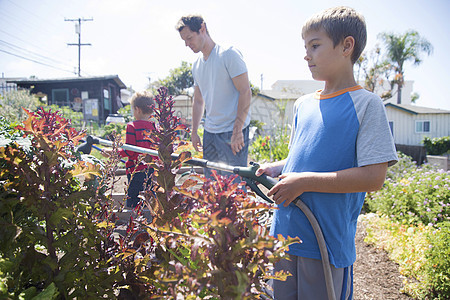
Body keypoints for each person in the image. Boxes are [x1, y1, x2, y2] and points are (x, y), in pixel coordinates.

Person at [255, 7, 398, 300]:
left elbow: (373, 177)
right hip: (285, 233)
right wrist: (275, 168)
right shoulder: (303, 104)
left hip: (324, 243)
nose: (306, 55)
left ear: (346, 46)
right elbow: (299, 159)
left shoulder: (366, 105)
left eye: (315, 45)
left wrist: (305, 182)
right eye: (305, 47)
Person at [176, 15, 252, 179]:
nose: (187, 44)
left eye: (189, 38)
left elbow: (245, 91)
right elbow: (198, 101)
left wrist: (238, 131)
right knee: (211, 186)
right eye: (184, 41)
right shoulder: (196, 65)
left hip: (232, 132)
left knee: (234, 186)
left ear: (202, 29)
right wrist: (195, 131)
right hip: (210, 132)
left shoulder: (228, 55)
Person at [104, 91, 156, 208]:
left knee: (133, 198)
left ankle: (132, 220)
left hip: (136, 171)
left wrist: (113, 153)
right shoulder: (154, 128)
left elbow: (129, 151)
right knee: (150, 199)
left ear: (137, 109)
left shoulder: (132, 126)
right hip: (152, 170)